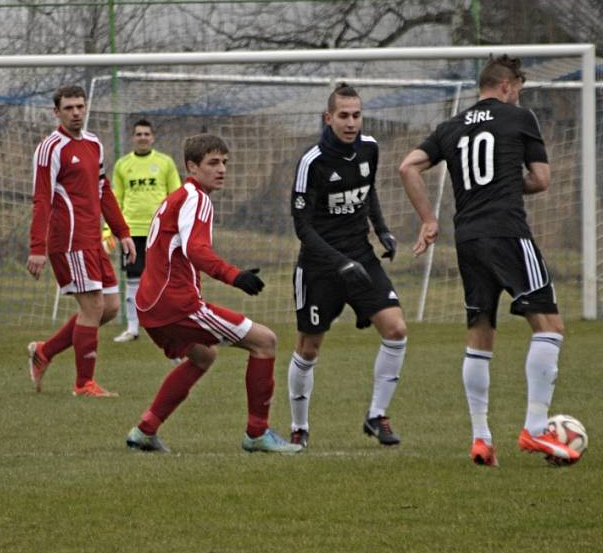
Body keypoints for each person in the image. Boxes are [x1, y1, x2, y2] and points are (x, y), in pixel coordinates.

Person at [399, 54, 575, 466]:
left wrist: (428, 219)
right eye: (519, 89)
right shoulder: (520, 117)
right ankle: (535, 430)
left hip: (468, 238)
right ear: (508, 85)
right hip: (507, 232)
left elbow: (407, 166)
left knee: (480, 332)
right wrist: (508, 185)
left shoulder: (451, 127)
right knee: (550, 326)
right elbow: (542, 179)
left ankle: (481, 439)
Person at [126, 133, 302, 454]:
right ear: (192, 166)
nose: (221, 169)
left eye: (224, 163)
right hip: (177, 304)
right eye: (213, 163)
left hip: (149, 306)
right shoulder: (196, 198)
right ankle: (257, 434)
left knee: (203, 355)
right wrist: (235, 276)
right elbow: (195, 249)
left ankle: (145, 430)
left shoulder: (176, 198)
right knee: (265, 342)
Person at [287, 83, 407, 449]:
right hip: (320, 265)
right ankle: (299, 426)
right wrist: (339, 263)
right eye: (343, 115)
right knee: (309, 349)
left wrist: (382, 231)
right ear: (328, 118)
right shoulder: (312, 162)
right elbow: (302, 227)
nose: (351, 122)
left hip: (361, 256)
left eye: (356, 115)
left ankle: (376, 415)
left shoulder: (370, 148)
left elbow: (368, 191)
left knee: (396, 329)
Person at [26, 85, 136, 397]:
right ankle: (84, 384)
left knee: (111, 308)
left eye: (80, 107)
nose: (76, 112)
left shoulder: (93, 143)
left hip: (93, 239)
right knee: (93, 307)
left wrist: (122, 231)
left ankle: (44, 351)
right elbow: (42, 200)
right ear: (56, 112)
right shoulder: (51, 148)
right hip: (69, 240)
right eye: (69, 108)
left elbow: (103, 190)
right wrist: (37, 249)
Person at [107, 119, 180, 343]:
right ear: (133, 137)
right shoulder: (122, 165)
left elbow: (175, 195)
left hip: (159, 231)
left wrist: (178, 226)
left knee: (163, 279)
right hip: (131, 232)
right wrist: (108, 230)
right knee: (133, 279)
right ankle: (132, 328)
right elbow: (114, 198)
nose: (142, 137)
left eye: (146, 134)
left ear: (153, 137)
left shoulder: (165, 163)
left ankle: (167, 325)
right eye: (138, 134)